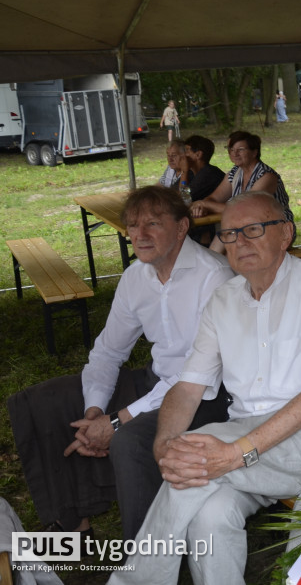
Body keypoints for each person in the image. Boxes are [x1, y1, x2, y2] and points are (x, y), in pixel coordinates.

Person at [110, 191, 301, 585]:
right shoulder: (223, 299)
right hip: (250, 439)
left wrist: (233, 454)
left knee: (199, 451)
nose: (240, 242)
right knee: (209, 514)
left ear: (286, 234)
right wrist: (164, 444)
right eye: (229, 234)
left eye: (253, 230)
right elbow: (187, 387)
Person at [7, 186, 233, 540]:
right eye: (132, 225)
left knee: (129, 439)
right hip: (156, 381)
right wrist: (96, 411)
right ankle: (73, 527)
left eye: (153, 224)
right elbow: (108, 351)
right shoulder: (135, 278)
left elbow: (197, 374)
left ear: (181, 227)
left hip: (207, 396)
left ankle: (142, 562)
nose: (139, 235)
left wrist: (118, 420)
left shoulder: (213, 276)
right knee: (44, 402)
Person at [191, 131, 293, 251]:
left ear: (254, 152)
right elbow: (213, 198)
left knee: (228, 239)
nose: (235, 154)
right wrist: (202, 206)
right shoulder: (235, 173)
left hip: (276, 229)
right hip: (248, 227)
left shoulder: (266, 176)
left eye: (241, 149)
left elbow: (243, 209)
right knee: (223, 238)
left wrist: (205, 204)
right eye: (231, 149)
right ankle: (213, 267)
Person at [182, 135, 226, 202]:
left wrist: (184, 171)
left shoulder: (209, 173)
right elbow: (173, 193)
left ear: (198, 155)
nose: (183, 155)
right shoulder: (191, 172)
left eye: (187, 151)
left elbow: (183, 199)